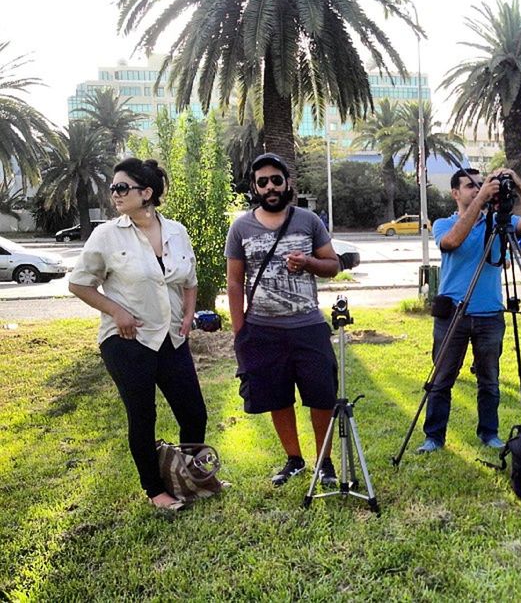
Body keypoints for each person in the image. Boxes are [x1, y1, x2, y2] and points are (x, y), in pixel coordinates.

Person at [69, 158, 207, 511]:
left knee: (194, 413)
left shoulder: (176, 230)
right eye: (113, 187)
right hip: (128, 342)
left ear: (146, 193)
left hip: (172, 339)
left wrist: (189, 313)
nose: (114, 193)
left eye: (121, 187)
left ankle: (191, 478)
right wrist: (116, 311)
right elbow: (79, 284)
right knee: (142, 416)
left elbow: (189, 280)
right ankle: (156, 490)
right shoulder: (107, 234)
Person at [225, 153, 341, 486]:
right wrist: (239, 329)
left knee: (322, 396)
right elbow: (234, 281)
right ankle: (294, 459)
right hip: (262, 329)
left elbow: (332, 265)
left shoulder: (308, 221)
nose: (270, 187)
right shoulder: (241, 227)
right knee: (277, 397)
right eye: (263, 182)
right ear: (254, 187)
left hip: (308, 326)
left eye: (276, 179)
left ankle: (324, 462)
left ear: (287, 182)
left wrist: (307, 262)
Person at [417, 167, 521, 453]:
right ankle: (433, 437)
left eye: (480, 185)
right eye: (470, 186)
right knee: (441, 379)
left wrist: (519, 185)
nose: (477, 189)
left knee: (490, 380)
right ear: (455, 193)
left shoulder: (499, 222)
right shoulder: (442, 223)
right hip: (452, 315)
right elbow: (451, 242)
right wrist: (481, 198)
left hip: (490, 315)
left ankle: (489, 433)